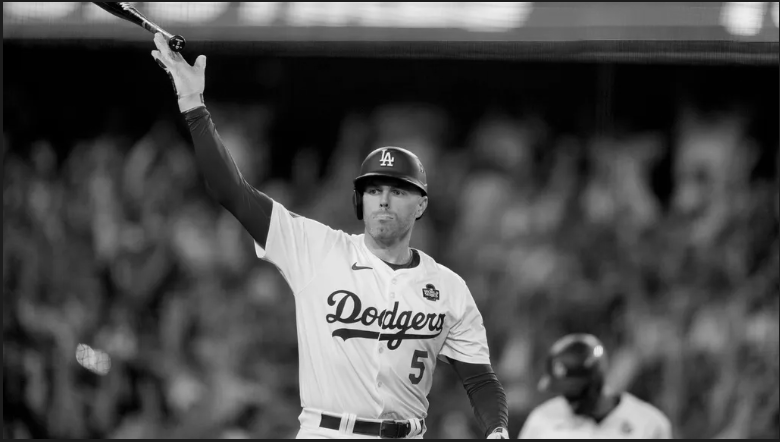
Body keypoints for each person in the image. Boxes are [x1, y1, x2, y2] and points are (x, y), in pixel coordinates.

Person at [150, 33, 509, 439]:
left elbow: (480, 381)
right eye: (374, 190)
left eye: (398, 190)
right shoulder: (317, 249)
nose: (384, 201)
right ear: (361, 201)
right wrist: (194, 107)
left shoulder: (448, 288)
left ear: (421, 205)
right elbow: (232, 191)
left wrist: (497, 429)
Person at [518, 333, 672, 439]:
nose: (569, 401)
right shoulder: (542, 419)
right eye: (565, 392)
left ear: (595, 383)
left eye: (574, 392)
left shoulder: (649, 423)